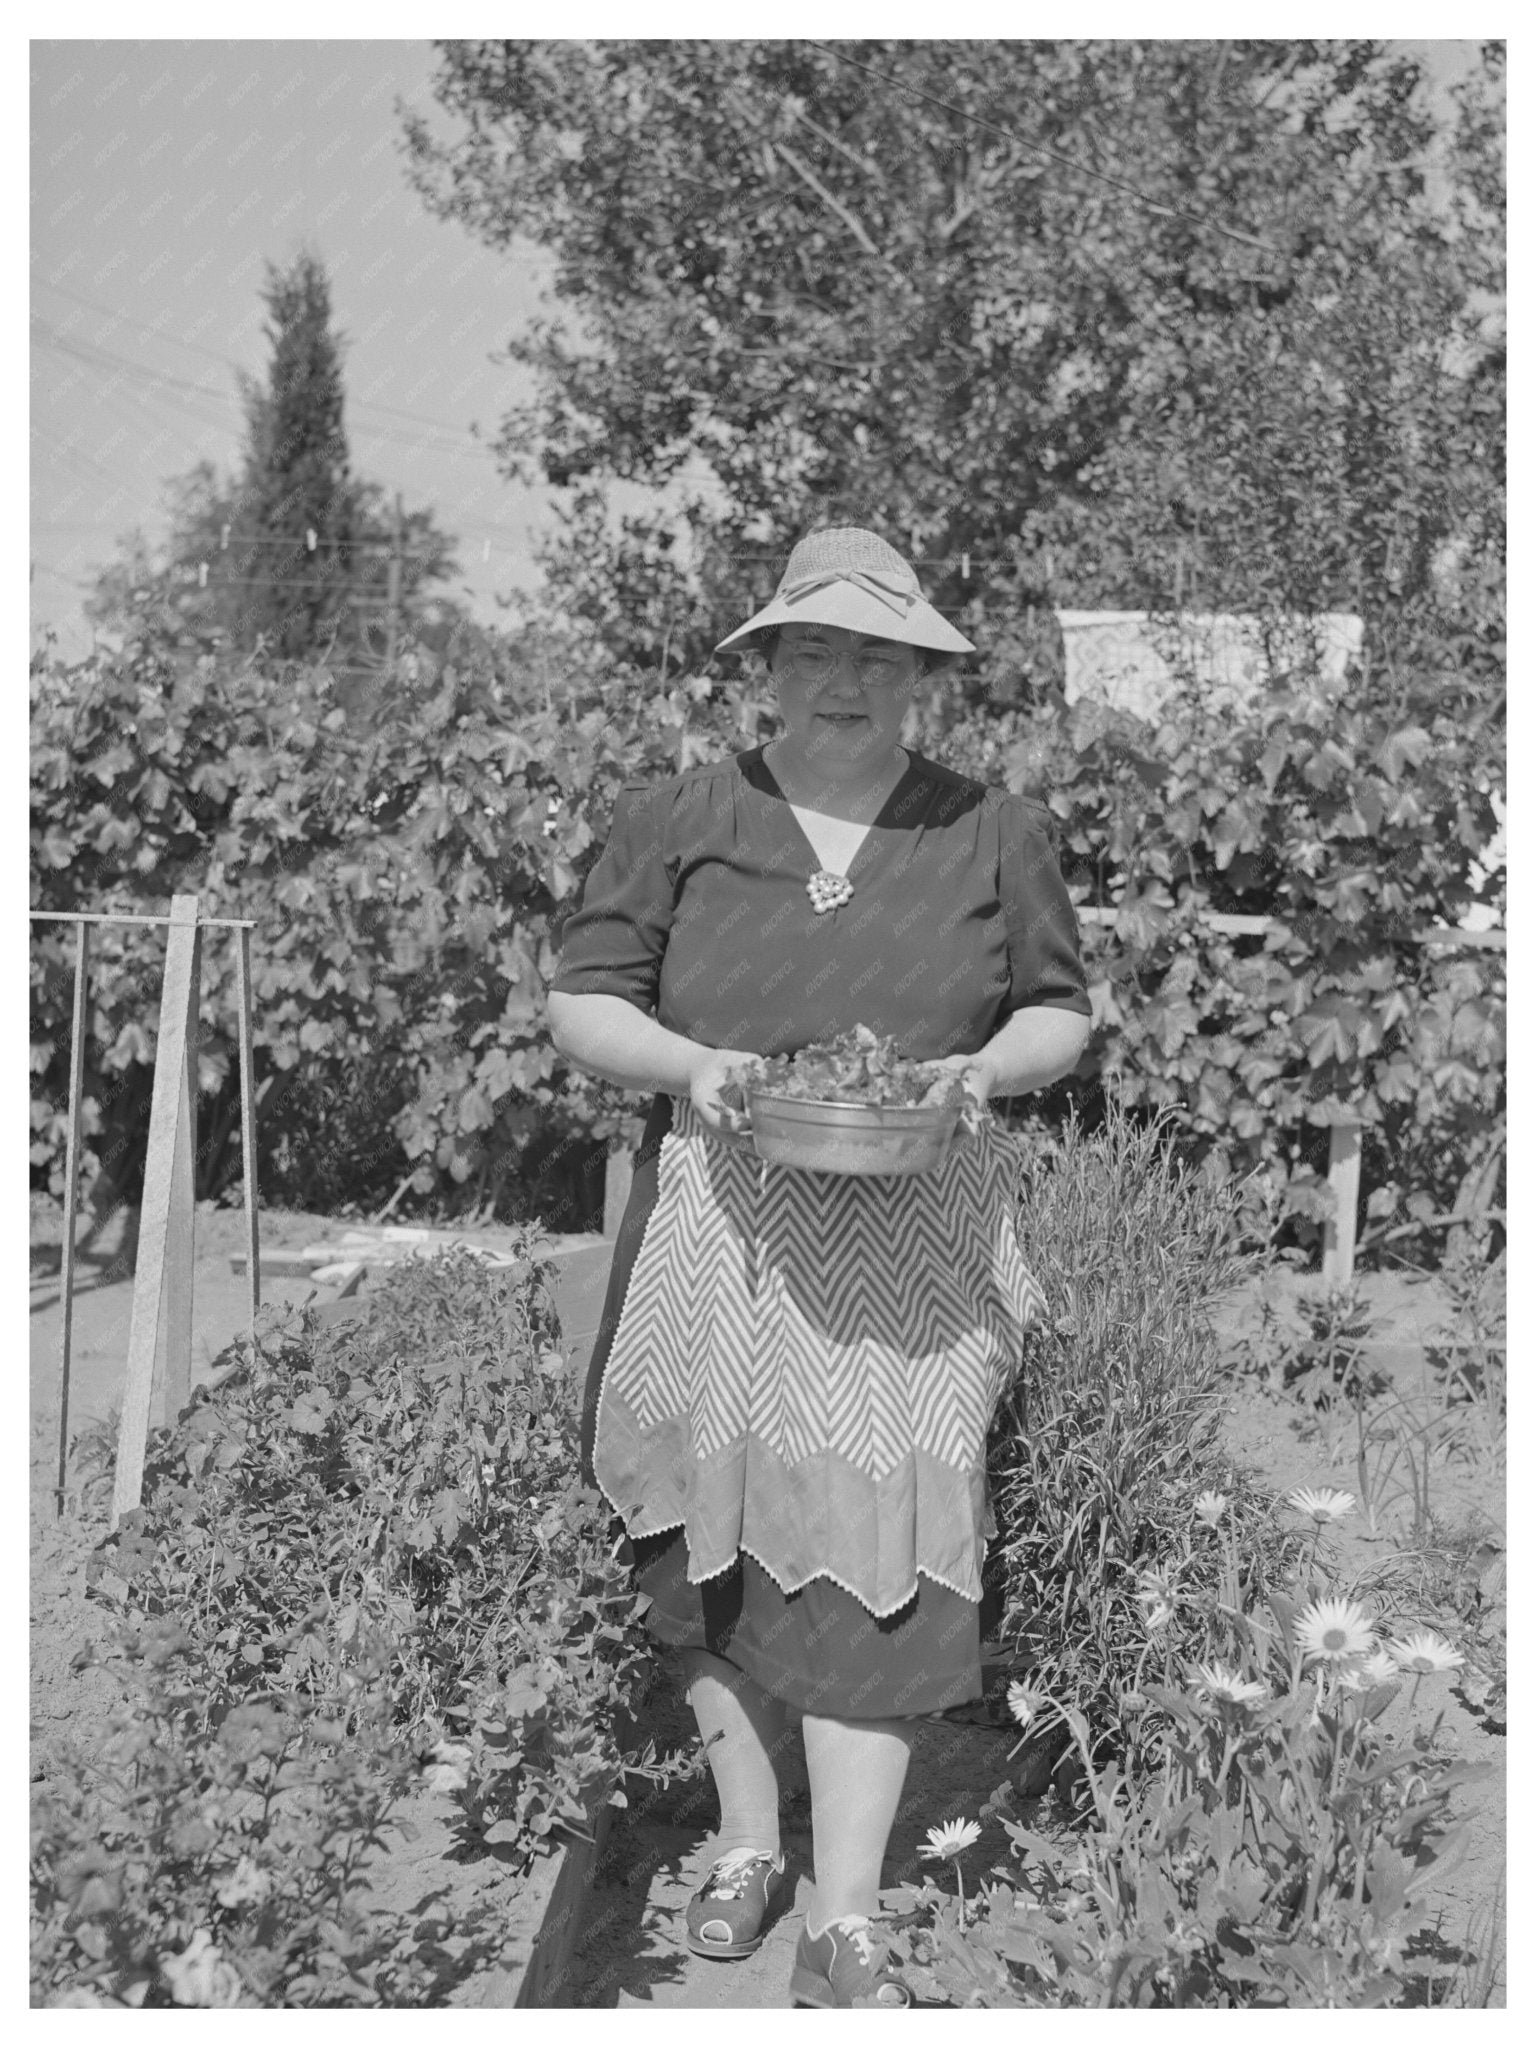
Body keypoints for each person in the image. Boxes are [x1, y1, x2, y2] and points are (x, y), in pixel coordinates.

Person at [546, 525, 1091, 2008]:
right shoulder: (677, 816)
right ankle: (745, 1839)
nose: (846, 679)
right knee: (690, 1525)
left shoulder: (992, 831)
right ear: (767, 669)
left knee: (890, 1531)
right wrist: (696, 1063)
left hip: (916, 1241)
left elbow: (1060, 1014)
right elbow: (583, 1000)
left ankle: (845, 1906)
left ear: (920, 678)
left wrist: (977, 1077)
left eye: (879, 656)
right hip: (718, 1228)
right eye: (816, 650)